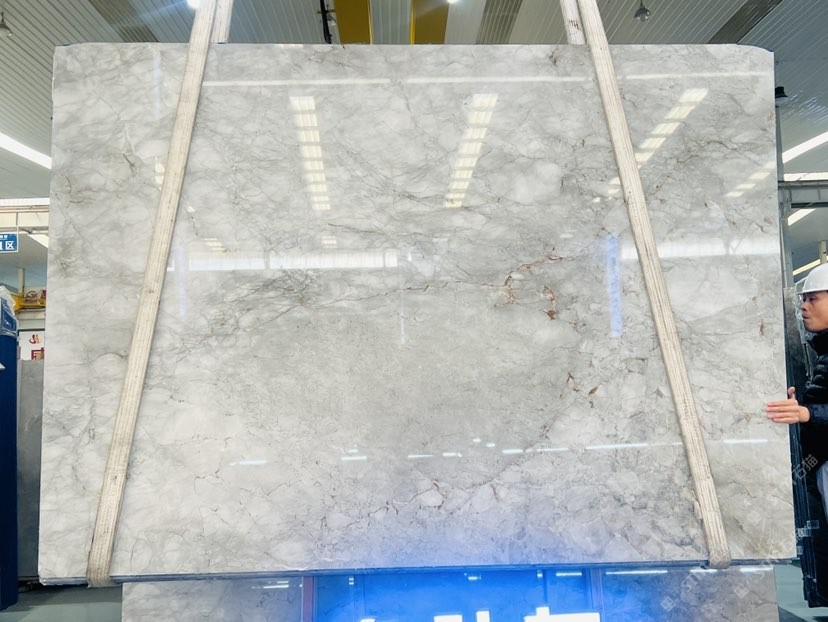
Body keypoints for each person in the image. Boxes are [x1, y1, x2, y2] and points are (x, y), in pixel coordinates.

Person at [766, 262, 828, 517]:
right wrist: (799, 404)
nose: (804, 306)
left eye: (813, 299)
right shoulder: (823, 350)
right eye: (803, 299)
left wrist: (807, 413)